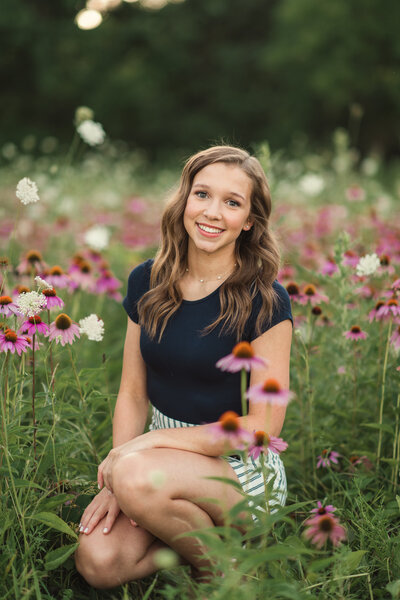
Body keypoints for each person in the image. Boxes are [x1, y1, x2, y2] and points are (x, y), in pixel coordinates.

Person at [75, 145, 293, 589]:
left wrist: (141, 452)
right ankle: (193, 546)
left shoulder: (265, 299)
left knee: (137, 475)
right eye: (202, 195)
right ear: (184, 201)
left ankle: (224, 576)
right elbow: (133, 393)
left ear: (249, 219)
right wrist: (117, 478)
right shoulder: (147, 281)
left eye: (232, 202)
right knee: (98, 562)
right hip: (159, 464)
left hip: (240, 469)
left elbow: (263, 426)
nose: (213, 213)